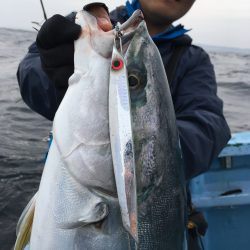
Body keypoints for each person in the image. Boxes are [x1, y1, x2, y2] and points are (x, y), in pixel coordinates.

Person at [16, 0, 230, 248]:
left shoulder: (193, 60)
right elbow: (29, 74)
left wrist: (148, 149)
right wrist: (52, 72)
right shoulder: (79, 28)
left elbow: (209, 126)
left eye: (132, 81)